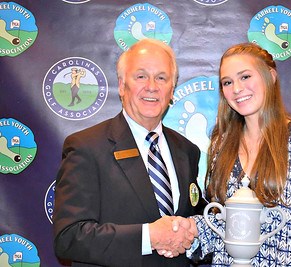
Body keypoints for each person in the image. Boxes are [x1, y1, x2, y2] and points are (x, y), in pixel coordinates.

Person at [185, 43, 291, 266]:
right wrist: (184, 231)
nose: (236, 89)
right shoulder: (222, 145)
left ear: (270, 76)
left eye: (245, 77)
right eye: (227, 82)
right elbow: (222, 226)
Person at [53, 38, 205, 267]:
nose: (152, 86)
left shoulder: (187, 150)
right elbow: (69, 237)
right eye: (141, 76)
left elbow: (194, 218)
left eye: (161, 78)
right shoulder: (86, 146)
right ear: (122, 86)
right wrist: (149, 237)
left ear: (172, 90)